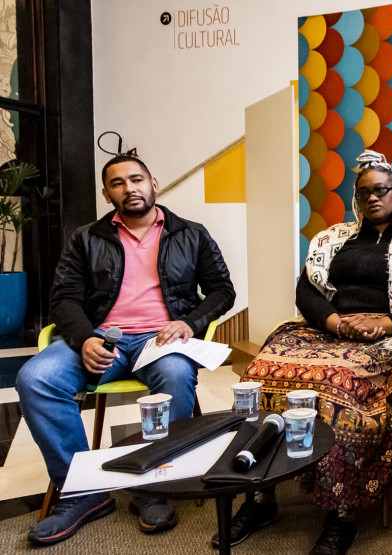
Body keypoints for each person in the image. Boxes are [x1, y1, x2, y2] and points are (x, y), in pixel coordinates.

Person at [226, 150, 392, 555]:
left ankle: (342, 513)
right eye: (365, 193)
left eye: (382, 190)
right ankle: (259, 497)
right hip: (327, 328)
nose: (373, 198)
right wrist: (335, 323)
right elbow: (305, 291)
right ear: (356, 198)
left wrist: (385, 324)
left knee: (340, 391)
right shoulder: (331, 238)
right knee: (257, 377)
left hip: (386, 335)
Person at [16, 154, 236, 545]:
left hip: (161, 341)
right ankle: (83, 493)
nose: (129, 188)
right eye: (117, 183)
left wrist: (190, 322)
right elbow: (64, 297)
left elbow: (222, 290)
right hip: (103, 338)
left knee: (176, 375)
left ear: (154, 183)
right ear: (107, 193)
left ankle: (154, 487)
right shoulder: (86, 238)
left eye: (136, 179)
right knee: (34, 379)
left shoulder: (192, 233)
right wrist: (85, 338)